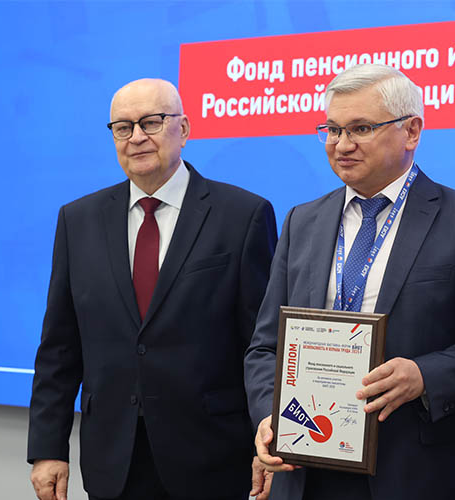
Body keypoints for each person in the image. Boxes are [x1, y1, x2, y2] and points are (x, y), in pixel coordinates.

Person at [244, 63, 455, 500]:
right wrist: (269, 416)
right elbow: (265, 347)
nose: (342, 145)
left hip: (411, 473)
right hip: (305, 469)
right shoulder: (302, 221)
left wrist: (424, 374)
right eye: (333, 130)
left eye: (361, 129)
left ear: (411, 131)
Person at [27, 78, 278, 500]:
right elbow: (59, 348)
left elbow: (263, 345)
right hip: (113, 462)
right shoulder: (78, 220)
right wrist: (48, 448)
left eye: (152, 122)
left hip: (213, 460)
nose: (137, 137)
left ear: (185, 128)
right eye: (123, 127)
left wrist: (267, 439)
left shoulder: (243, 215)